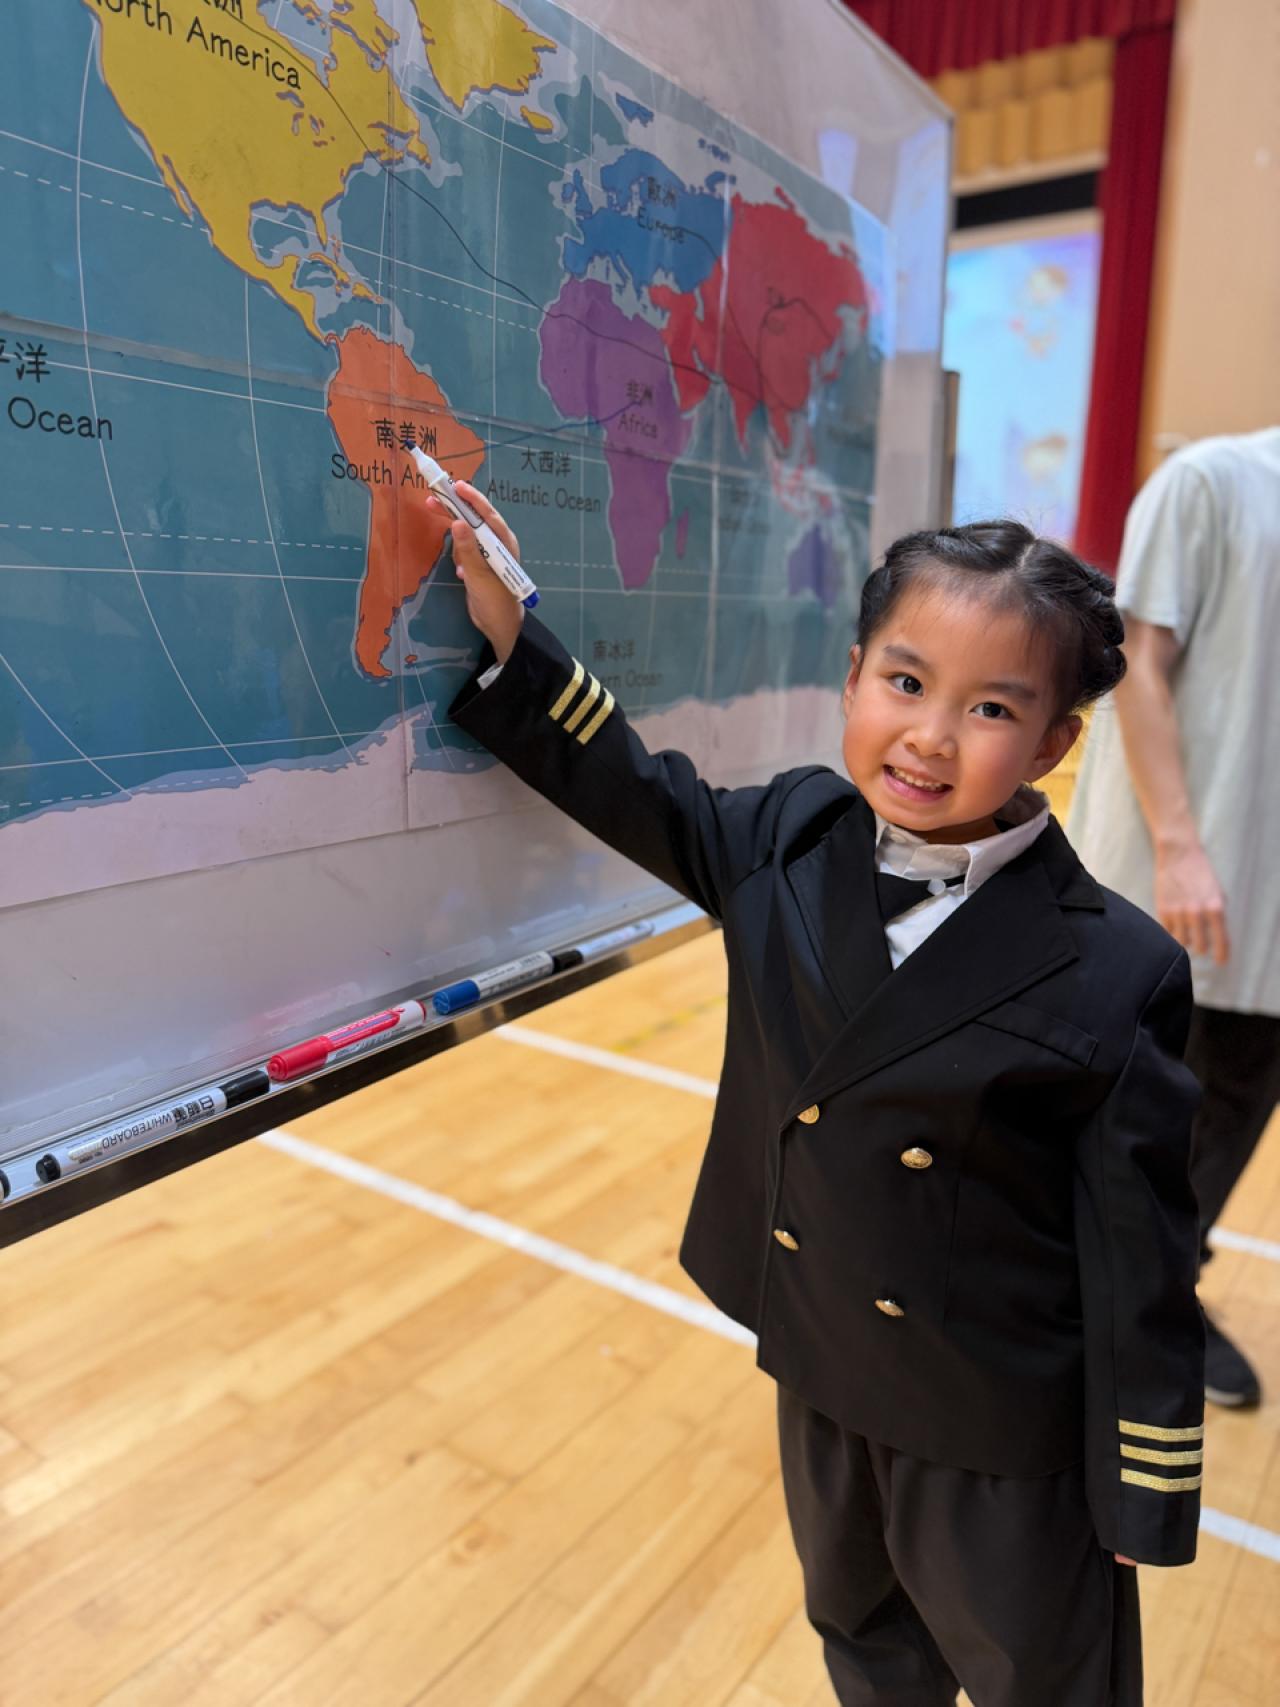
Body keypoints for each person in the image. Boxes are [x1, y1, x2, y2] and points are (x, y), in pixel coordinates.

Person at [442, 487, 1204, 1707]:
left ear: (1052, 744)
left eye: (990, 708)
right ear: (852, 679)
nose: (930, 738)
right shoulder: (792, 835)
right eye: (905, 683)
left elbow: (1138, 1258)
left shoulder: (1117, 967)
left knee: (1043, 1681)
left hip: (996, 1427)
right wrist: (511, 629)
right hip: (821, 1365)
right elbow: (637, 788)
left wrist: (1141, 1485)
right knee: (862, 1642)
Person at [1068, 427, 1280, 1411]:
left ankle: (1161, 1298)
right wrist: (1182, 845)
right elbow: (1137, 661)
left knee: (1232, 1108)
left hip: (1267, 905)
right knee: (1137, 1111)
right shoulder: (1210, 482)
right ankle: (1084, 1315)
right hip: (1178, 885)